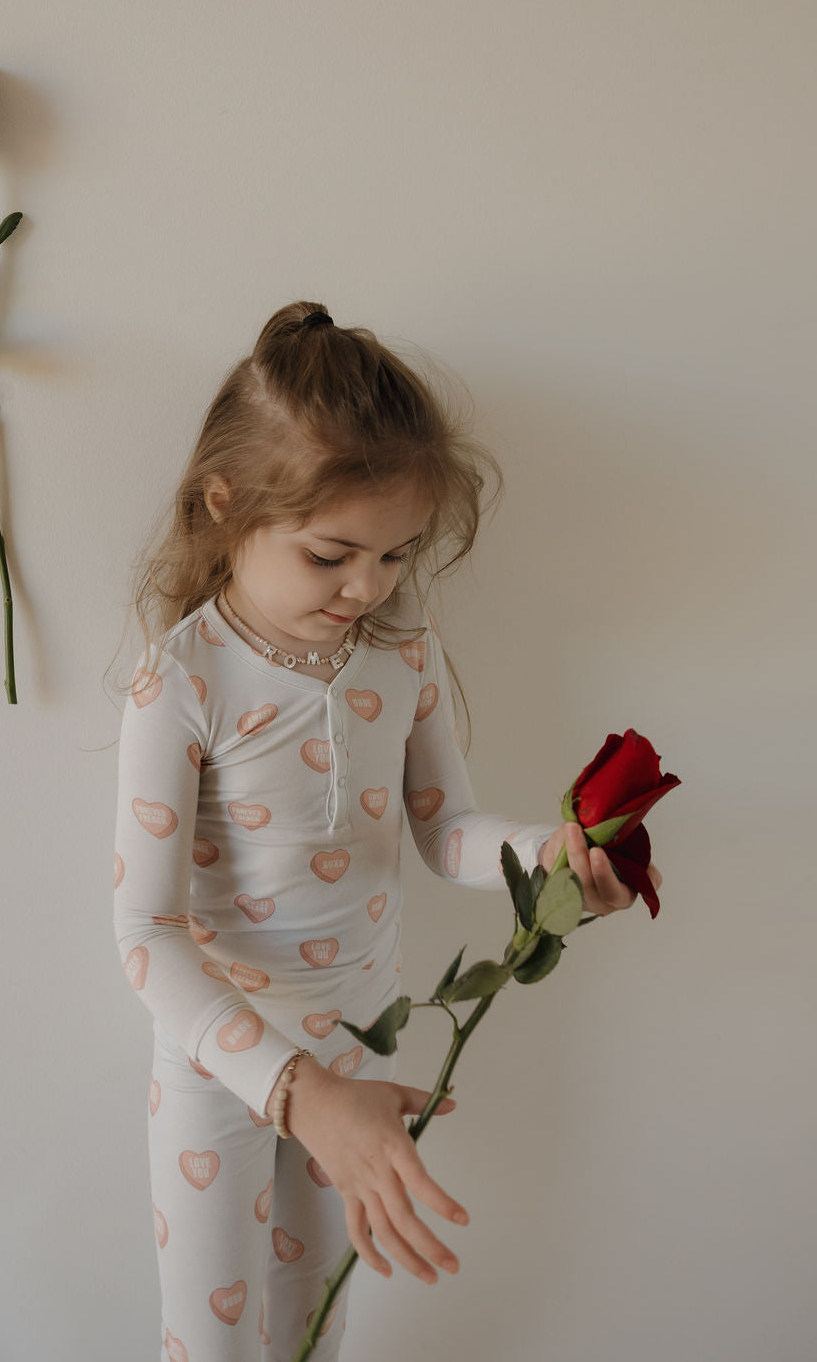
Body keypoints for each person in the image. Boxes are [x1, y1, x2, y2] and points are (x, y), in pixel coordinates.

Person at [113, 302, 660, 1362]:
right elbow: (145, 932)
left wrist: (546, 862)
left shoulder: (394, 660)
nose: (367, 588)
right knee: (212, 1345)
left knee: (316, 1329)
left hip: (358, 1051)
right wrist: (294, 1091)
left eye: (397, 555)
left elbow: (445, 829)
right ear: (226, 507)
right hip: (219, 1070)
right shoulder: (180, 680)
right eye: (332, 556)